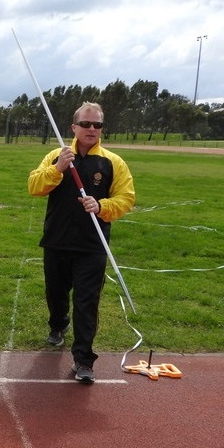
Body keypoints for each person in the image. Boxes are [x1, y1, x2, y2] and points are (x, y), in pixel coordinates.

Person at [28, 101, 135, 383]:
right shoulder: (57, 155)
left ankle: (84, 359)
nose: (91, 129)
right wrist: (58, 169)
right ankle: (57, 326)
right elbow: (34, 187)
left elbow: (126, 199)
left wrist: (101, 206)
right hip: (57, 241)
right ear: (74, 127)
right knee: (56, 294)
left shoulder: (113, 162)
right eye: (86, 124)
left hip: (92, 246)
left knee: (87, 302)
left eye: (97, 125)